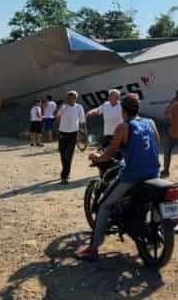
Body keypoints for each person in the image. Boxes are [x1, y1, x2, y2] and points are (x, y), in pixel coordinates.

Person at [75, 93, 160, 261]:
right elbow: (156, 144)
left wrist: (96, 157)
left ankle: (93, 248)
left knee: (104, 205)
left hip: (133, 175)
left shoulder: (123, 127)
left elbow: (110, 153)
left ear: (123, 110)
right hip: (154, 172)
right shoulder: (150, 122)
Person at [56, 91, 86, 183]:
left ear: (75, 98)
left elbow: (82, 121)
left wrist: (84, 133)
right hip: (62, 133)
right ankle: (66, 171)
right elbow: (57, 116)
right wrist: (62, 106)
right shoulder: (63, 107)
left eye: (72, 97)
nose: (70, 99)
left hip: (73, 133)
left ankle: (64, 176)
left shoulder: (79, 107)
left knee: (68, 155)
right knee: (62, 153)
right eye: (69, 97)